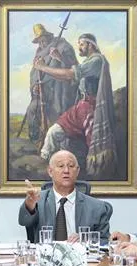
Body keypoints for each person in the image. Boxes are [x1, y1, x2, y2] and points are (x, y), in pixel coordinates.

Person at [34, 33, 116, 178]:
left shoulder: (97, 60)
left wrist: (43, 67)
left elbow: (70, 74)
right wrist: (61, 59)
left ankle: (96, 174)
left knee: (93, 145)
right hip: (81, 107)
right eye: (78, 44)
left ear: (91, 45)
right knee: (55, 132)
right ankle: (46, 162)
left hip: (91, 109)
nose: (79, 47)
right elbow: (77, 73)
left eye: (82, 44)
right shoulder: (91, 61)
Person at [18, 150, 112, 241]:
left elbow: (105, 240)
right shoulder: (37, 201)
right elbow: (23, 221)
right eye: (60, 166)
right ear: (50, 171)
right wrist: (29, 203)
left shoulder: (97, 207)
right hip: (47, 255)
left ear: (77, 171)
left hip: (80, 256)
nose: (66, 170)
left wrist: (86, 238)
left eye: (71, 166)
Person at [26, 23, 78, 145]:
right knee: (32, 111)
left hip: (60, 89)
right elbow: (34, 72)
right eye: (38, 41)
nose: (41, 43)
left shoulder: (63, 45)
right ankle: (36, 141)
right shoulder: (39, 52)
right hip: (43, 92)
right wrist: (35, 87)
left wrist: (60, 58)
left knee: (58, 115)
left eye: (42, 39)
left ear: (48, 36)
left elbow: (73, 67)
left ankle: (61, 145)